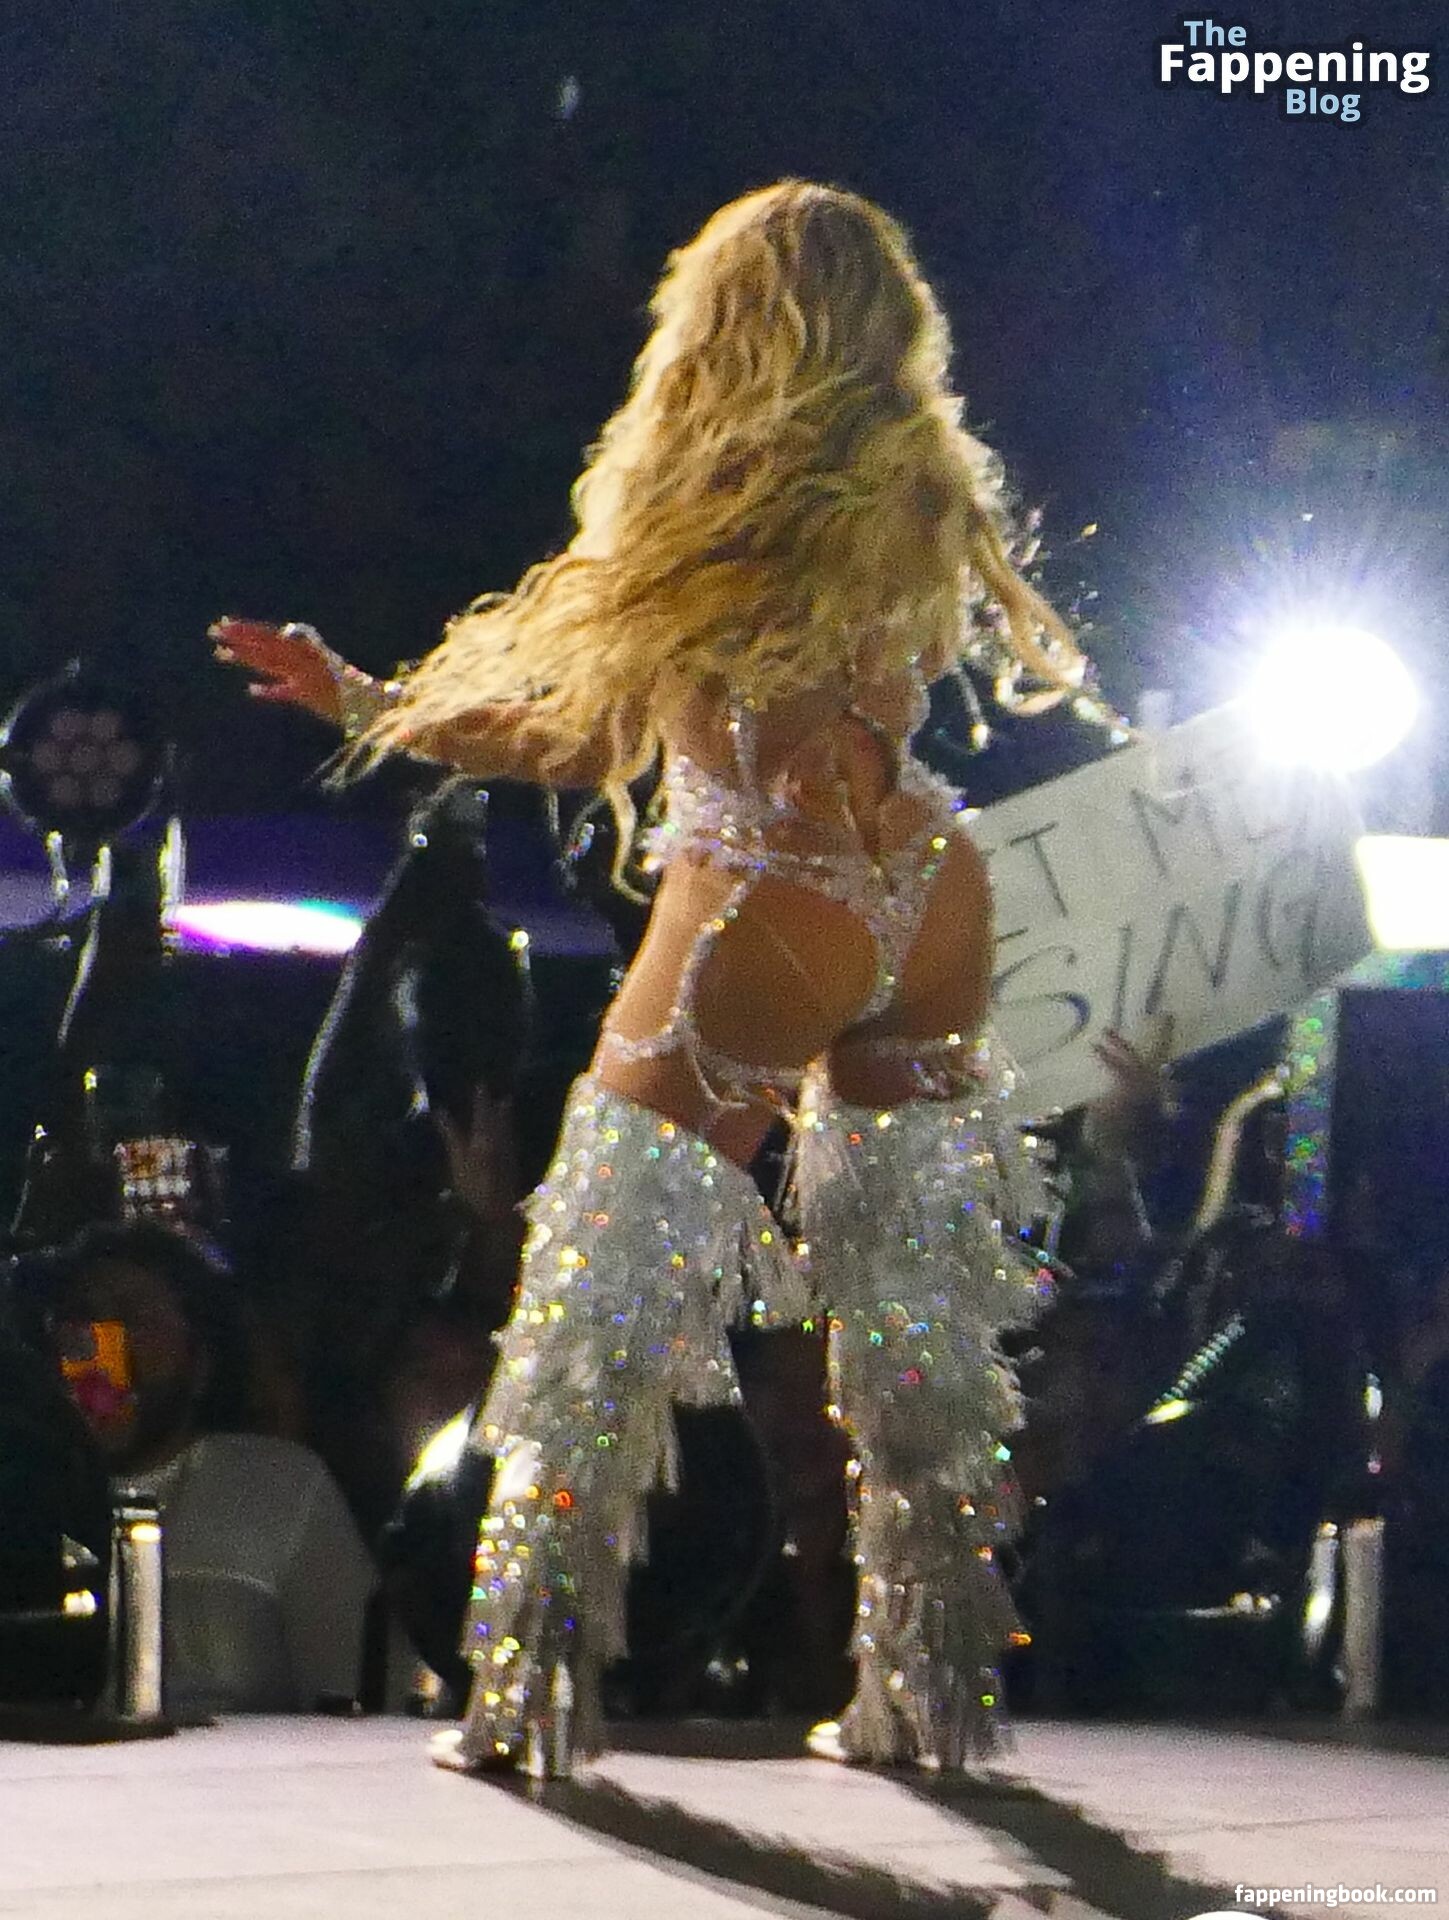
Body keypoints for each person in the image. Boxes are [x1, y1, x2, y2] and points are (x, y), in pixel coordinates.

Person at [210, 180, 1090, 1774]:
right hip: (927, 887)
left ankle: (525, 1699)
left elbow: (581, 738)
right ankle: (927, 1697)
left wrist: (370, 703)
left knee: (596, 1301)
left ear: (722, 329)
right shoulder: (915, 485)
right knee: (913, 1327)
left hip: (765, 894)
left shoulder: (719, 495)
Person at [42, 1220, 385, 1716]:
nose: (102, 1344)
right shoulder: (32, 1498)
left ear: (200, 1362)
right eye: (84, 1318)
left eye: (133, 1319)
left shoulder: (279, 1486)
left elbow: (351, 1690)